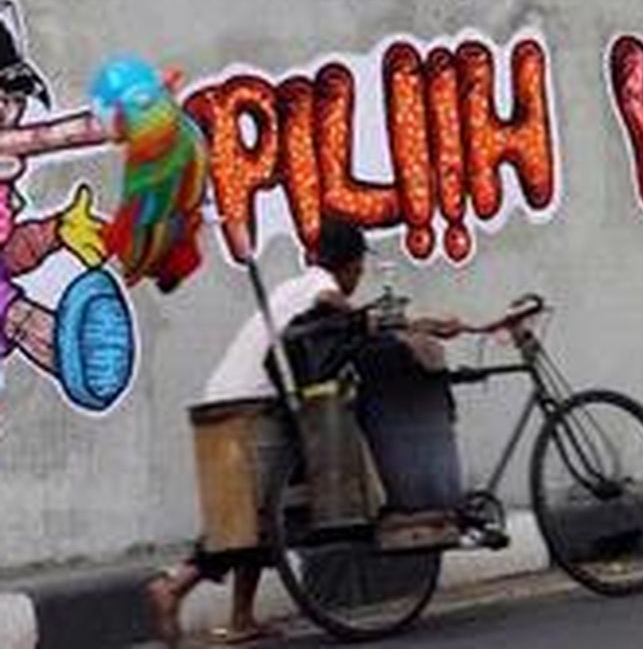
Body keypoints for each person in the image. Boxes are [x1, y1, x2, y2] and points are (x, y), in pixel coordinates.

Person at [147, 218, 465, 646]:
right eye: (359, 269)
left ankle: (241, 617)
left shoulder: (291, 289)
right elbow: (363, 323)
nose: (359, 277)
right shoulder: (321, 292)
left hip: (225, 397)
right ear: (351, 266)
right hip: (252, 404)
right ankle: (175, 585)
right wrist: (423, 327)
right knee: (256, 514)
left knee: (257, 517)